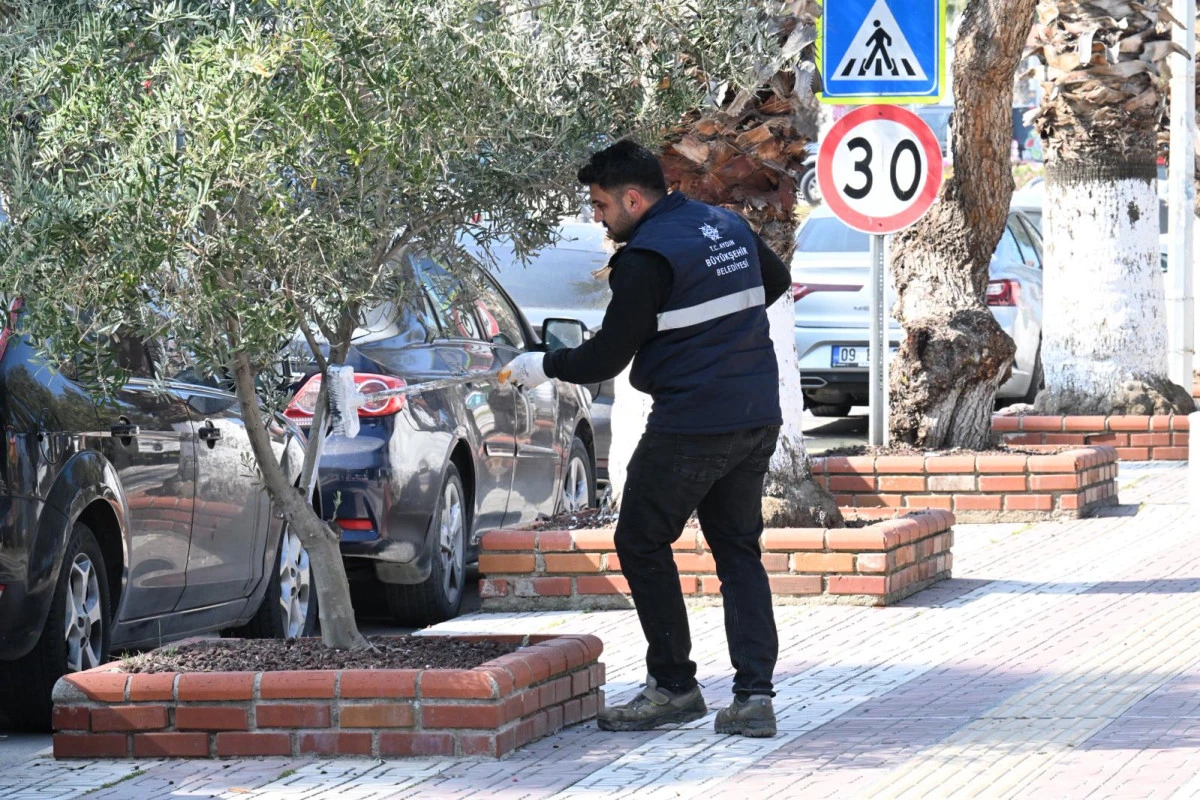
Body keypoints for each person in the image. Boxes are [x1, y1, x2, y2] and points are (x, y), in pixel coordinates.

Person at [501, 139, 791, 738]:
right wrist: (719, 333)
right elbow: (777, 280)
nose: (598, 218)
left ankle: (674, 686)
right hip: (756, 413)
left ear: (634, 199)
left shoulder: (645, 257)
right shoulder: (724, 224)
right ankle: (754, 697)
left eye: (602, 205)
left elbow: (607, 355)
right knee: (738, 552)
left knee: (639, 540)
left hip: (692, 423)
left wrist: (544, 364)